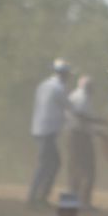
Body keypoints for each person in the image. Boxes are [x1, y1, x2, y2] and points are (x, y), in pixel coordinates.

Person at [28, 58, 73, 206]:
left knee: (51, 163)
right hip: (47, 131)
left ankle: (39, 196)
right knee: (47, 164)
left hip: (40, 129)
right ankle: (35, 198)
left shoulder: (44, 85)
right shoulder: (58, 88)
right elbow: (70, 107)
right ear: (64, 74)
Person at [66, 74, 101, 206]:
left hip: (77, 135)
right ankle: (83, 201)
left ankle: (74, 200)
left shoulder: (78, 96)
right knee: (87, 169)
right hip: (80, 136)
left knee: (76, 168)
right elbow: (80, 117)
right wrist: (99, 122)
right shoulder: (82, 97)